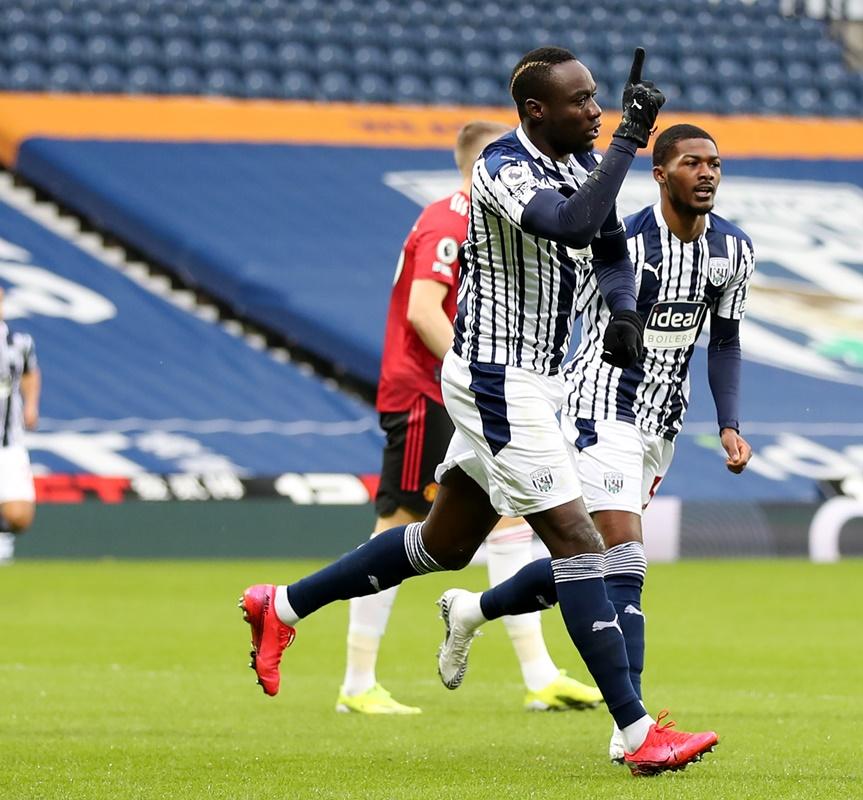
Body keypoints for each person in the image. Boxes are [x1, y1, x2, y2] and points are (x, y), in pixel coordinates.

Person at [240, 47, 719, 776]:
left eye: (597, 99)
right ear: (536, 111)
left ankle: (281, 606)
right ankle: (636, 731)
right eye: (582, 101)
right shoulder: (503, 168)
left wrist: (622, 313)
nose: (595, 110)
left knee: (444, 545)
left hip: (536, 380)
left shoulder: (578, 164)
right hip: (500, 380)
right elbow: (567, 224)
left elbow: (611, 245)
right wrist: (625, 142)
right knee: (578, 542)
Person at [435, 124, 754, 763]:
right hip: (598, 407)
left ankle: (473, 608)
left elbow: (724, 341)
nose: (708, 173)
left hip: (660, 422)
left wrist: (729, 422)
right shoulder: (626, 239)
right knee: (626, 569)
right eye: (694, 162)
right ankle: (631, 731)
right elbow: (575, 302)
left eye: (715, 164)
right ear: (661, 173)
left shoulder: (734, 251)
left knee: (585, 565)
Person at [338, 121, 601, 715]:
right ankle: (356, 682)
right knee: (400, 521)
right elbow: (423, 309)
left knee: (509, 522)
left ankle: (539, 674)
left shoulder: (478, 215)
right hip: (429, 391)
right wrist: (479, 374)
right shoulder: (451, 216)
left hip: (473, 391)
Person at [0, 286, 40, 565]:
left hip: (9, 440)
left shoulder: (19, 342)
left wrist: (31, 404)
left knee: (20, 516)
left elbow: (30, 372)